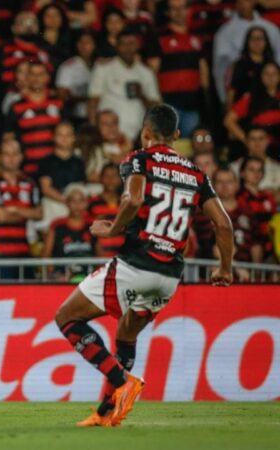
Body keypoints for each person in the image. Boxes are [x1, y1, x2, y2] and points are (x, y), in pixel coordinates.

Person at [55, 104, 234, 428]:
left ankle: (122, 380)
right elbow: (223, 224)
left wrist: (113, 228)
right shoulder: (196, 173)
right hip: (168, 277)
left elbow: (134, 199)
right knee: (125, 334)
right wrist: (225, 268)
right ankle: (108, 413)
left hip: (136, 264)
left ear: (146, 134)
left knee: (67, 317)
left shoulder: (140, 159)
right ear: (177, 136)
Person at [146, 0, 210, 137]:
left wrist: (205, 97)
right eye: (174, 9)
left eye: (182, 8)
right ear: (167, 12)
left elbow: (203, 70)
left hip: (192, 104)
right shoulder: (159, 37)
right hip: (168, 104)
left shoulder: (196, 37)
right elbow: (152, 72)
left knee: (188, 146)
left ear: (188, 10)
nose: (179, 13)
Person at [89, 30, 162, 141]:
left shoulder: (146, 72)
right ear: (117, 46)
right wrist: (94, 131)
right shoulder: (103, 68)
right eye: (123, 44)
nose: (128, 48)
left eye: (131, 44)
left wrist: (141, 95)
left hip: (138, 135)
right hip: (108, 135)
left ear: (137, 46)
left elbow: (156, 107)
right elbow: (93, 102)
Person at [3, 61, 64, 177]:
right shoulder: (16, 107)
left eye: (40, 74)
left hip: (55, 169)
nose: (37, 78)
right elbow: (8, 139)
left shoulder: (58, 103)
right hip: (27, 171)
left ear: (47, 78)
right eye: (33, 74)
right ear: (27, 77)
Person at [212, 0, 280, 102]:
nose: (244, 4)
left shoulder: (271, 29)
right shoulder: (224, 33)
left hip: (270, 95)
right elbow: (220, 70)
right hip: (242, 94)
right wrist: (224, 99)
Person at [0, 138, 43, 260]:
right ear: (0, 157)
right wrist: (27, 212)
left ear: (21, 156)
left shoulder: (31, 183)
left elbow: (39, 214)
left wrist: (13, 209)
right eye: (7, 154)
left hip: (25, 250)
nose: (11, 158)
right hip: (0, 250)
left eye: (15, 154)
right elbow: (0, 217)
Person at [224, 61, 280, 156]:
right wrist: (247, 140)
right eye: (267, 74)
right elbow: (228, 121)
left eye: (274, 73)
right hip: (258, 149)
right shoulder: (252, 98)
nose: (271, 77)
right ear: (261, 76)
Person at [42, 188, 95, 281]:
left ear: (86, 204)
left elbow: (100, 255)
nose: (77, 205)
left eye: (80, 201)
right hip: (63, 279)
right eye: (73, 201)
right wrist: (54, 276)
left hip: (88, 279)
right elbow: (46, 255)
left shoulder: (92, 225)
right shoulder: (57, 225)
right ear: (67, 203)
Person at [214, 167, 263, 264]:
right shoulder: (203, 213)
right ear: (213, 185)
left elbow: (256, 246)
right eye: (220, 182)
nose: (224, 186)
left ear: (236, 185)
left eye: (229, 182)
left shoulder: (248, 213)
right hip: (212, 273)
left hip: (245, 275)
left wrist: (256, 275)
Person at [227, 26, 277, 107]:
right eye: (253, 39)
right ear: (247, 42)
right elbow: (231, 92)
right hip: (245, 110)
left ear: (266, 41)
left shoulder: (271, 64)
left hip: (269, 108)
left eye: (260, 38)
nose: (257, 42)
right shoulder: (240, 65)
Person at [238, 156, 276, 259]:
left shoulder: (269, 198)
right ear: (242, 173)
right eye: (251, 169)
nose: (256, 173)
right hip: (247, 249)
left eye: (259, 170)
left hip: (270, 249)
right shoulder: (238, 197)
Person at [56, 31, 96, 124]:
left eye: (88, 42)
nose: (84, 46)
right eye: (81, 42)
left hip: (96, 114)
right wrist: (86, 98)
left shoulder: (100, 64)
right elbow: (62, 95)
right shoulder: (68, 66)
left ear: (94, 45)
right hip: (76, 116)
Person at [88, 163, 125, 257]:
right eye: (107, 176)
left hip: (123, 255)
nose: (110, 180)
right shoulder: (92, 202)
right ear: (101, 178)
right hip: (99, 256)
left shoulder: (126, 203)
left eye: (114, 176)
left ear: (120, 179)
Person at [230, 127, 280, 191]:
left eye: (261, 139)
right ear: (246, 142)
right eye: (252, 139)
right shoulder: (234, 168)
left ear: (267, 141)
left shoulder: (277, 168)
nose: (257, 143)